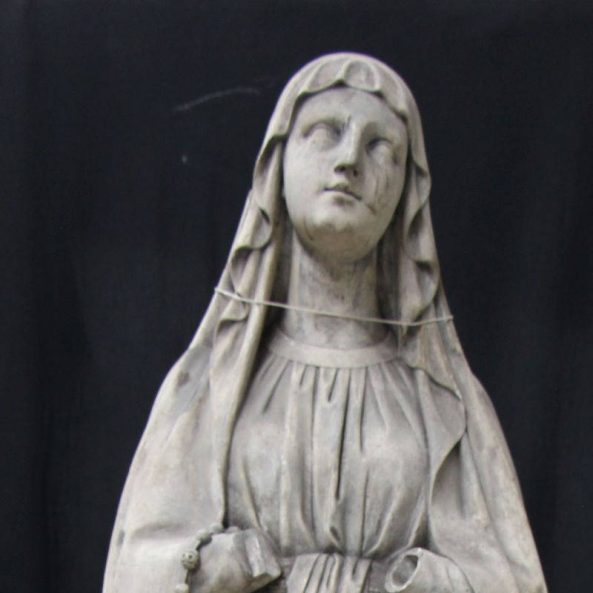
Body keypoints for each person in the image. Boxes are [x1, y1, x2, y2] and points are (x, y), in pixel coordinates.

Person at [102, 53, 548, 593]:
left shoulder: (446, 402)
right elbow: (134, 567)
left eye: (381, 147)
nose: (349, 161)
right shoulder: (210, 386)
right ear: (278, 166)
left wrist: (417, 580)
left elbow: (512, 581)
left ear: (406, 195)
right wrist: (215, 564)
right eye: (325, 132)